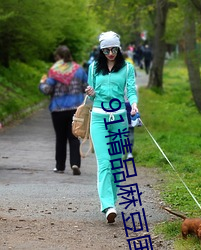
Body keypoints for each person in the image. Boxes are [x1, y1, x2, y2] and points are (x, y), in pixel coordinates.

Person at [85, 31, 138, 223]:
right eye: (106, 50)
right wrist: (90, 92)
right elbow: (91, 97)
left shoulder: (127, 68)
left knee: (116, 163)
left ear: (119, 48)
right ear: (101, 50)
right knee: (105, 162)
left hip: (119, 120)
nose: (110, 53)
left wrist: (134, 104)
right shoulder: (93, 68)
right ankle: (108, 205)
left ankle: (112, 201)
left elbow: (131, 90)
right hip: (99, 118)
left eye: (113, 49)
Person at [39, 45, 88, 175]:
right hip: (75, 109)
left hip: (58, 109)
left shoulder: (54, 71)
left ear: (58, 57)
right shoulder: (79, 70)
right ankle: (75, 163)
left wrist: (42, 83)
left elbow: (47, 90)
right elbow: (86, 87)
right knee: (74, 137)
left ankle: (60, 166)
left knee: (60, 138)